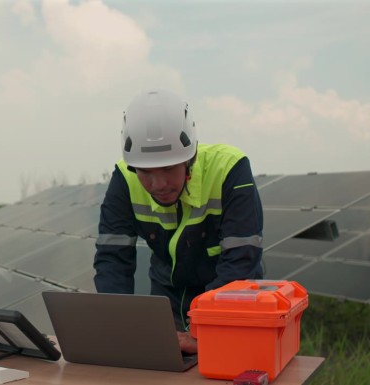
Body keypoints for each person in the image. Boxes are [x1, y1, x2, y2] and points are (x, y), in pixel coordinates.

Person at [93, 89, 264, 354]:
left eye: (169, 168)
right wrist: (120, 327)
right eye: (146, 172)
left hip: (229, 296)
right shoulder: (124, 179)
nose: (158, 184)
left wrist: (204, 329)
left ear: (190, 158)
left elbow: (242, 259)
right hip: (167, 296)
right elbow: (112, 258)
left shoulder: (230, 168)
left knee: (227, 362)